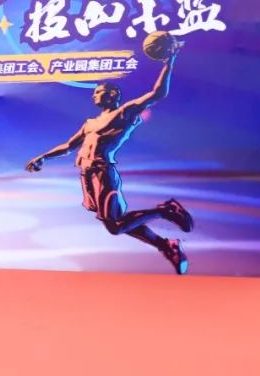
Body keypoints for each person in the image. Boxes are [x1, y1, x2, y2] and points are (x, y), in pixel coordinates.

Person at [24, 45, 193, 274]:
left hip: (103, 171)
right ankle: (166, 245)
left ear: (112, 94)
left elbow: (157, 93)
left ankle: (165, 211)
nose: (94, 95)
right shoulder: (90, 123)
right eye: (94, 92)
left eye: (99, 91)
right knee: (116, 221)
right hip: (87, 175)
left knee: (115, 226)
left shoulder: (124, 113)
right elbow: (69, 146)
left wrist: (169, 62)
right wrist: (43, 157)